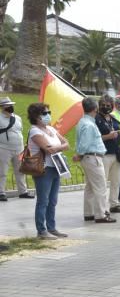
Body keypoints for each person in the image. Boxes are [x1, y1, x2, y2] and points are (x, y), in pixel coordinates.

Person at [27, 102, 70, 239]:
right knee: (43, 201)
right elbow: (48, 149)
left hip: (56, 167)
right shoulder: (35, 131)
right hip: (43, 169)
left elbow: (67, 143)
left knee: (53, 200)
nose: (48, 116)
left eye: (49, 113)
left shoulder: (51, 129)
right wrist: (58, 147)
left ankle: (52, 228)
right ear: (36, 116)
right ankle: (41, 230)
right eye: (45, 113)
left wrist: (57, 147)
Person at [76, 97, 115, 224]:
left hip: (89, 157)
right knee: (100, 187)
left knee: (90, 187)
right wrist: (80, 154)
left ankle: (89, 212)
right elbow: (84, 144)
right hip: (92, 157)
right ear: (95, 109)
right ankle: (101, 214)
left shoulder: (84, 121)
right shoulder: (89, 125)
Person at [96, 94, 120, 215]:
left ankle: (114, 204)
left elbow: (117, 135)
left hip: (116, 154)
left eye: (108, 105)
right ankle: (102, 207)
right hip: (104, 154)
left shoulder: (114, 119)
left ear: (112, 106)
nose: (105, 107)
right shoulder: (97, 119)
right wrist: (109, 136)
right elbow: (96, 138)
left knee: (116, 181)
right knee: (102, 183)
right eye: (103, 105)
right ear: (99, 106)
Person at [0, 97, 33, 201]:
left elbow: (19, 131)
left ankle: (23, 192)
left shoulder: (18, 118)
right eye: (8, 105)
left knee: (20, 171)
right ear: (2, 107)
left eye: (11, 105)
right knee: (2, 172)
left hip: (19, 148)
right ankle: (1, 192)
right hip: (3, 148)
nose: (10, 107)